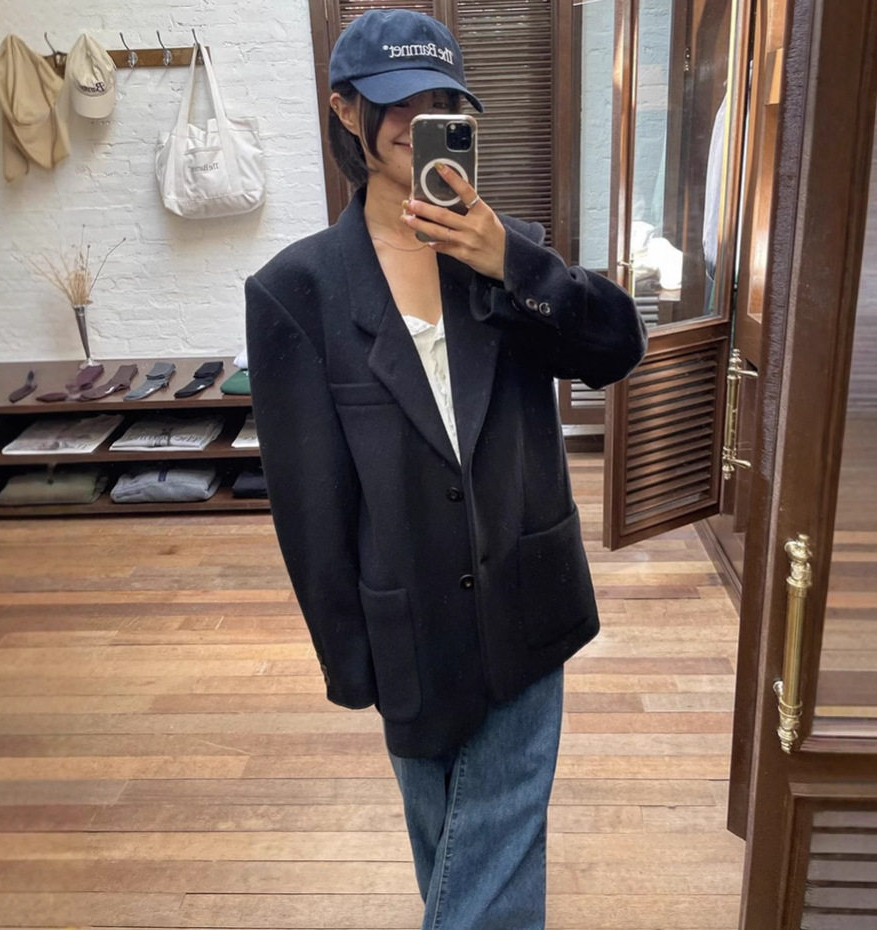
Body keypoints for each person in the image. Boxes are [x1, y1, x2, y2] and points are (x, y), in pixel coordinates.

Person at [245, 9, 647, 929]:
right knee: (453, 853)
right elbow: (308, 506)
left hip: (527, 595)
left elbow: (616, 349)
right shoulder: (298, 290)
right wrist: (350, 659)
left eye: (441, 101)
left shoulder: (507, 255)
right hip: (409, 626)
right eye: (397, 101)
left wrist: (515, 264)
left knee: (491, 856)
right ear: (346, 110)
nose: (419, 118)